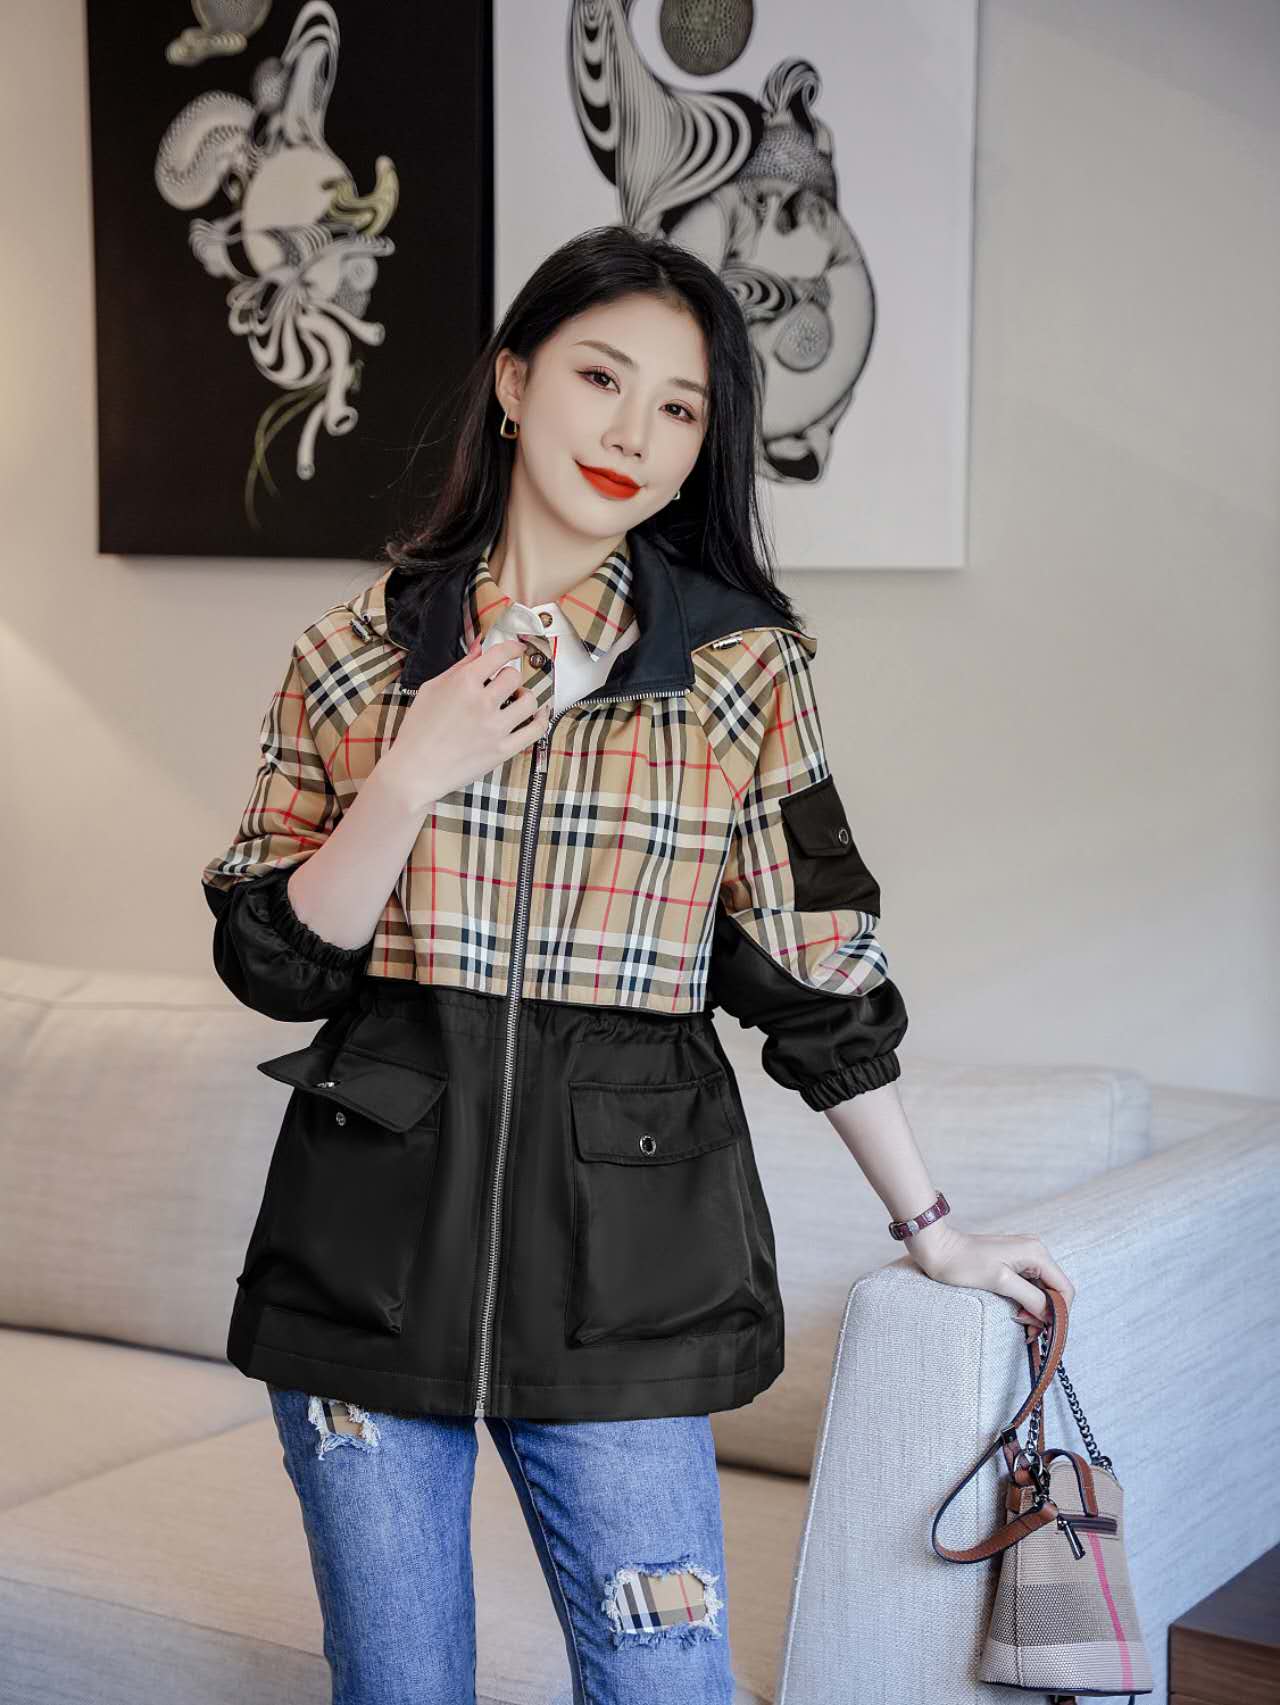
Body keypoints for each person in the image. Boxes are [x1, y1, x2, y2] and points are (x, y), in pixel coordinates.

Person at [202, 223, 1074, 1705]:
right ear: (512, 381)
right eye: (601, 379)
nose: (632, 434)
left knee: (666, 1683)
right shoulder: (350, 656)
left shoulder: (741, 668)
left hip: (626, 1282)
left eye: (679, 407)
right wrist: (408, 776)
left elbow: (814, 969)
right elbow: (277, 966)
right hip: (361, 1274)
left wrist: (933, 1227)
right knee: (397, 1688)